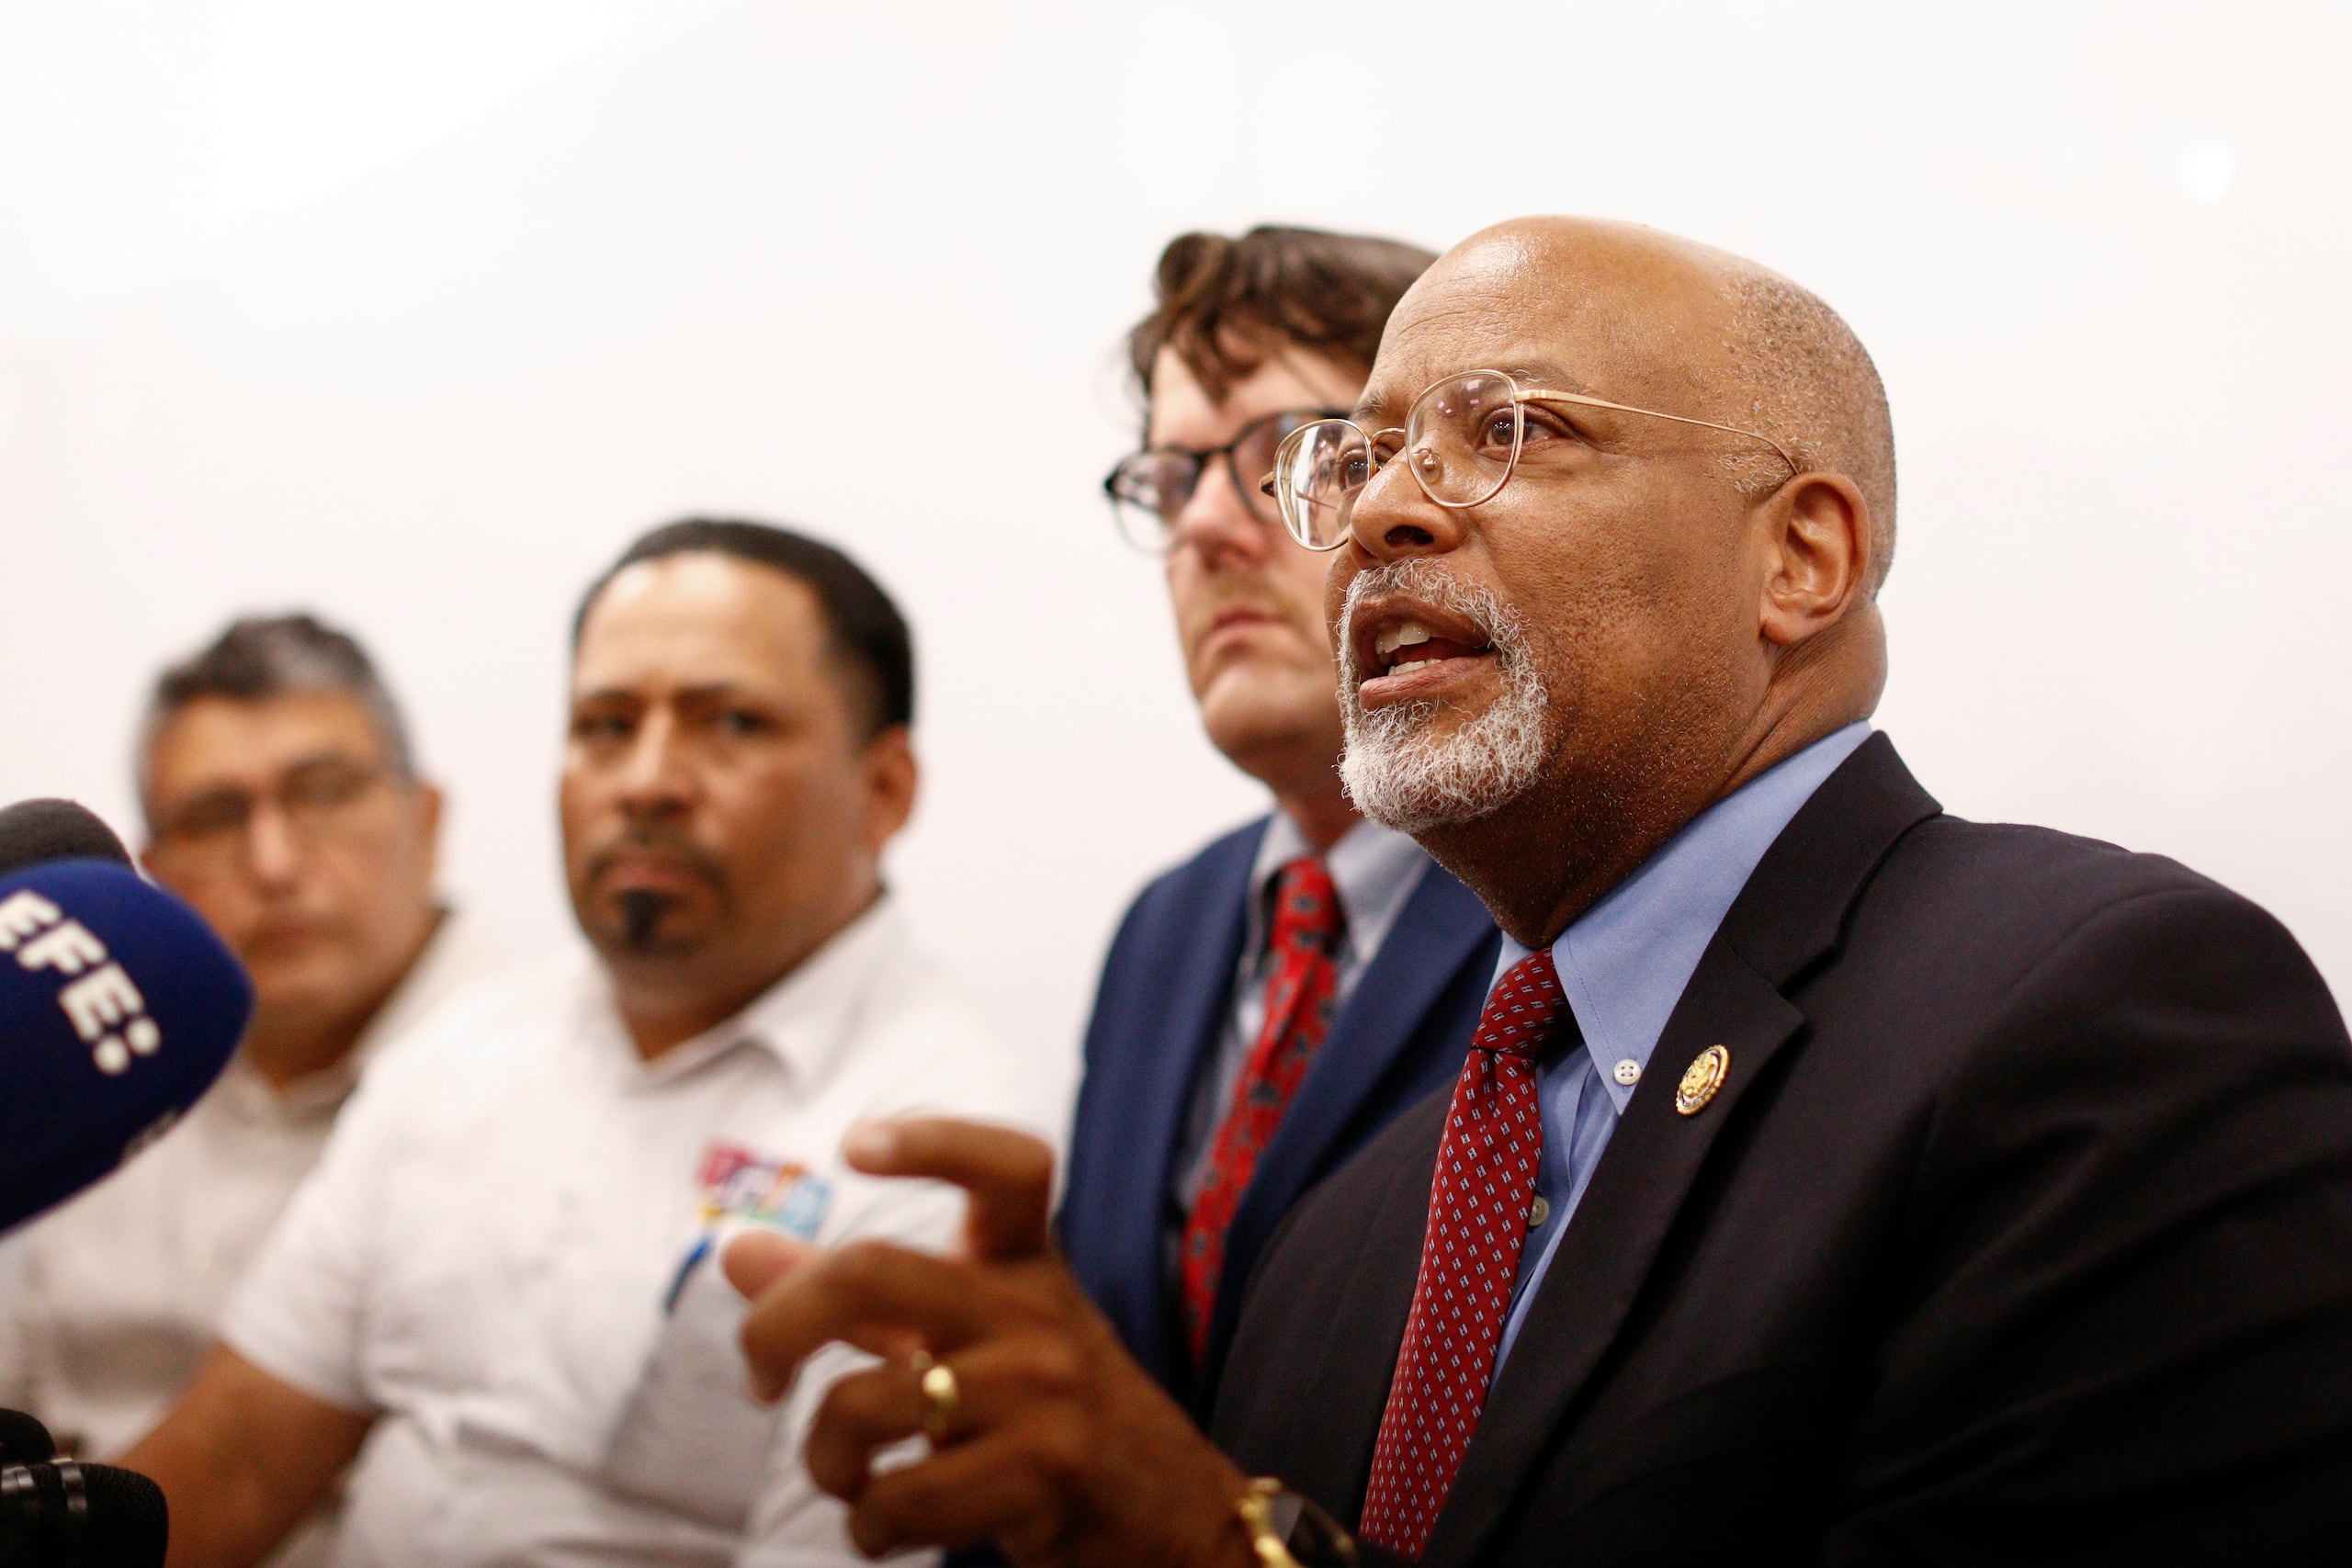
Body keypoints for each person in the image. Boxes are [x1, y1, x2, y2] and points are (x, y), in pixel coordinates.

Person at [722, 219, 2352, 1566]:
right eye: (1363, 458)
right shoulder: (1346, 1244)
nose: (1376, 514)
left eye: (1510, 431)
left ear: (1800, 556)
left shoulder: (2106, 1017)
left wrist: (1215, 1543)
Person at [120, 520, 1067, 1568]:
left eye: (733, 723)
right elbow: (235, 1466)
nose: (646, 780)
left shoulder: (935, 1141)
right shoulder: (455, 1057)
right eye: (606, 726)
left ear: (883, 791)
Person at [1078, 226, 1496, 1412]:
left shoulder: (1570, 908)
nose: (1205, 526)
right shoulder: (1164, 930)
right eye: (1171, 479)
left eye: (1287, 453)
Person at [0, 614, 504, 1563]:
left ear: (427, 820)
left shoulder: (523, 1072)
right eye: (214, 816)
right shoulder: (97, 1045)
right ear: (152, 872)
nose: (273, 864)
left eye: (322, 793)